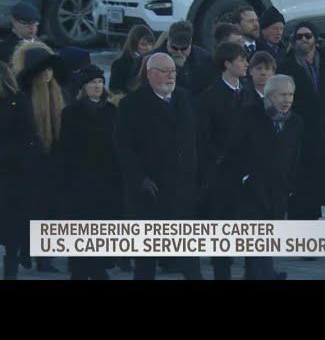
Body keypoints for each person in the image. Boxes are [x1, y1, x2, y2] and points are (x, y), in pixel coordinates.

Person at [114, 53, 201, 280]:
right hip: (151, 189)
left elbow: (193, 140)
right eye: (165, 71)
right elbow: (124, 147)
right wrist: (140, 178)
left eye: (173, 71)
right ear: (151, 74)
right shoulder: (132, 104)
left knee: (189, 254)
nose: (171, 75)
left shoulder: (184, 98)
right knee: (147, 257)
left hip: (182, 187)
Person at [228, 75, 304, 280]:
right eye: (282, 95)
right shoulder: (250, 116)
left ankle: (261, 273)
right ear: (270, 96)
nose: (287, 99)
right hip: (252, 188)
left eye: (290, 95)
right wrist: (245, 178)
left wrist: (290, 185)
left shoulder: (295, 121)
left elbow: (295, 155)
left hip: (279, 189)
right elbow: (234, 151)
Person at [279, 22, 325, 224]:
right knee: (304, 190)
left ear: (315, 39)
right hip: (303, 136)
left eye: (307, 36)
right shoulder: (286, 66)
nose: (303, 40)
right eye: (299, 37)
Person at [58, 65, 121, 280]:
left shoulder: (112, 111)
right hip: (80, 179)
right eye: (93, 83)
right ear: (84, 87)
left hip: (106, 179)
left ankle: (98, 266)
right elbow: (65, 148)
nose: (97, 86)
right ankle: (81, 268)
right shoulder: (71, 112)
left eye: (100, 82)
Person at [12, 42, 67, 273]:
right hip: (28, 165)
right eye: (42, 69)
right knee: (28, 211)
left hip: (53, 162)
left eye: (50, 69)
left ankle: (45, 258)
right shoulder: (21, 100)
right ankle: (25, 251)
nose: (47, 73)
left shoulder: (60, 94)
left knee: (51, 210)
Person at [197, 42, 249, 280]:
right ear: (227, 63)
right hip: (222, 171)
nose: (245, 63)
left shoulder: (247, 91)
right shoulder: (211, 96)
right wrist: (217, 162)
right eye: (241, 59)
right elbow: (205, 136)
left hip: (247, 170)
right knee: (221, 223)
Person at [0, 62, 39, 279]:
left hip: (11, 172)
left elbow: (27, 135)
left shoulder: (18, 101)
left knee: (11, 221)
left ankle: (12, 263)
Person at [136, 21, 215, 98]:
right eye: (174, 48)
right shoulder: (149, 59)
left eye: (184, 49)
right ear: (168, 40)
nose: (179, 53)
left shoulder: (204, 59)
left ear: (190, 42)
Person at [109, 25, 155, 96]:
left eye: (150, 44)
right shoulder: (120, 64)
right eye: (144, 44)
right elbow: (115, 91)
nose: (148, 48)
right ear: (134, 44)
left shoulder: (154, 62)